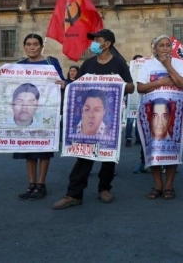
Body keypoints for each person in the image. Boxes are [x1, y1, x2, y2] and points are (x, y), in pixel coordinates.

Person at [52, 29, 134, 210]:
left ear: (107, 44)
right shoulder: (88, 64)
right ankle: (74, 194)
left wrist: (117, 83)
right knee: (83, 155)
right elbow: (78, 86)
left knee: (108, 157)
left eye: (98, 40)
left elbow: (131, 87)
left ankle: (104, 188)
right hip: (88, 117)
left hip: (109, 119)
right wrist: (67, 85)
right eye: (94, 40)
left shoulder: (119, 64)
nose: (94, 43)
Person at [0, 33, 65, 201]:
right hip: (23, 116)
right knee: (28, 150)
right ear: (24, 47)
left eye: (35, 44)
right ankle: (31, 183)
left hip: (45, 113)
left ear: (41, 46)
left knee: (44, 150)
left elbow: (62, 82)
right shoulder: (17, 66)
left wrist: (63, 83)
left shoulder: (51, 63)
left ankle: (41, 184)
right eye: (29, 44)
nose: (32, 47)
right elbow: (4, 83)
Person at [137, 35, 183, 201]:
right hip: (151, 113)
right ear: (155, 49)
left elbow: (181, 83)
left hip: (173, 114)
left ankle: (169, 185)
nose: (165, 48)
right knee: (154, 148)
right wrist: (162, 82)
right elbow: (141, 87)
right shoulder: (147, 65)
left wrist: (168, 65)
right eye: (161, 46)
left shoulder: (179, 63)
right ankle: (158, 185)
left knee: (172, 148)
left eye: (168, 45)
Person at [125, 54, 144, 147]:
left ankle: (138, 138)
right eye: (137, 61)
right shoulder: (129, 71)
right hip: (131, 97)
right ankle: (128, 138)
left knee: (138, 119)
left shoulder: (145, 71)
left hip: (140, 96)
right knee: (130, 119)